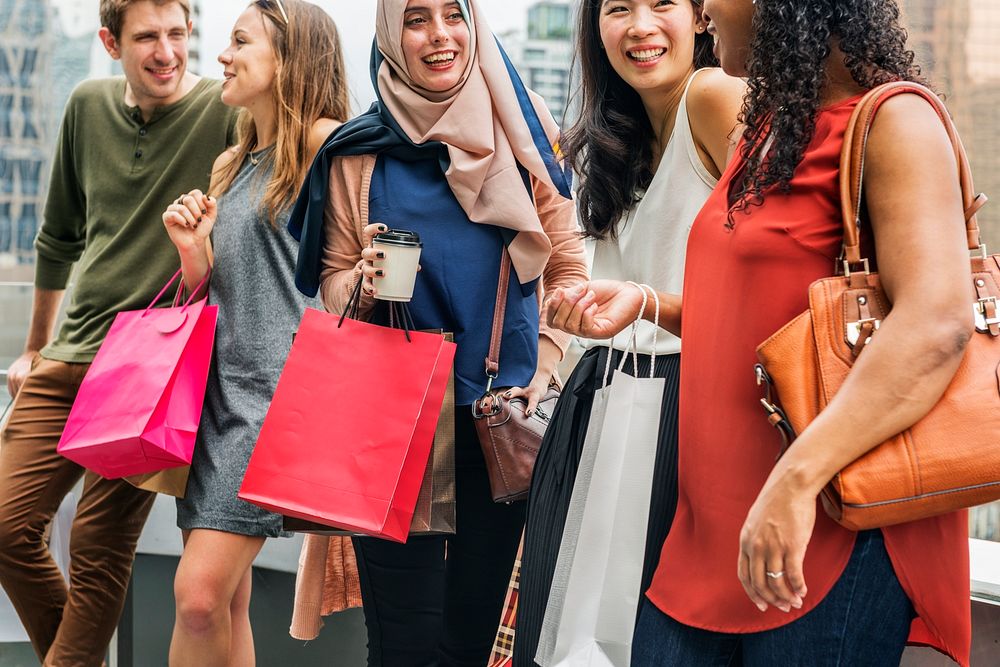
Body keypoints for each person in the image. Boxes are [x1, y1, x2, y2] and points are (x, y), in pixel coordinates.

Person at [548, 0, 974, 665]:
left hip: (823, 527)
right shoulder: (767, 132)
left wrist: (795, 481)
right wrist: (646, 303)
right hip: (711, 531)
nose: (706, 8)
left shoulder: (898, 119)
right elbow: (765, 317)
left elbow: (936, 323)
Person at [287, 1, 588, 664]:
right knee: (404, 642)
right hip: (395, 420)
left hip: (499, 413)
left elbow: (566, 263)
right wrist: (363, 281)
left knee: (470, 635)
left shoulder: (523, 126)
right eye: (416, 17)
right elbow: (331, 282)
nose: (440, 34)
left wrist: (541, 369)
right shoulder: (356, 151)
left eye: (454, 13)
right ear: (392, 34)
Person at [0, 1, 237, 664]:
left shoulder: (226, 110)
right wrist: (33, 346)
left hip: (152, 371)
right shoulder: (84, 104)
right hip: (69, 352)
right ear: (110, 41)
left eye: (177, 34)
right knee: (5, 526)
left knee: (99, 553)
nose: (166, 52)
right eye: (146, 38)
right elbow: (57, 238)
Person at [513, 1, 743, 662]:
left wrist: (645, 302)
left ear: (702, 17)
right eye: (618, 9)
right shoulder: (611, 132)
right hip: (603, 397)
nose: (640, 26)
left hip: (680, 402)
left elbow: (783, 267)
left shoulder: (713, 95)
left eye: (660, 4)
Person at [158, 1, 348, 665]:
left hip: (275, 400)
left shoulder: (328, 145)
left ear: (288, 58)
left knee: (198, 596)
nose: (221, 56)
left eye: (240, 41)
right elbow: (213, 292)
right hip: (215, 395)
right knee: (226, 602)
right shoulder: (231, 162)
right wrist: (190, 250)